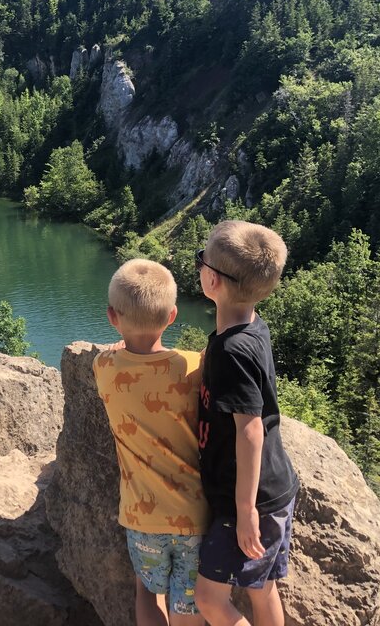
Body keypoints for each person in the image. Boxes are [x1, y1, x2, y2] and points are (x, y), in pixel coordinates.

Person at [192, 221, 299, 626]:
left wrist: (244, 510)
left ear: (212, 280)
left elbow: (250, 430)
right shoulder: (251, 326)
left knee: (208, 599)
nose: (199, 266)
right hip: (274, 489)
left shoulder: (231, 351)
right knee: (261, 585)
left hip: (246, 501)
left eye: (200, 260)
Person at [94, 258, 211, 626]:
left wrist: (121, 348)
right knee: (188, 604)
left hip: (141, 516)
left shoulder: (104, 367)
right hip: (195, 514)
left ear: (113, 317)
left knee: (146, 590)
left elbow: (116, 359)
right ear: (173, 315)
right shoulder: (195, 366)